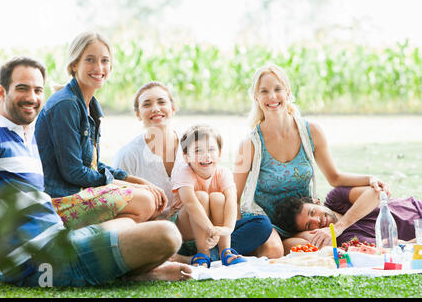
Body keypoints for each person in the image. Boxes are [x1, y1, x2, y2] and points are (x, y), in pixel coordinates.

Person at [0, 56, 192, 286]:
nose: (32, 97)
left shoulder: (23, 135)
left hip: (61, 239)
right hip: (38, 261)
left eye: (38, 90)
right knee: (167, 236)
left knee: (144, 228)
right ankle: (139, 272)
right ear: (2, 91)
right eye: (22, 88)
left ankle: (137, 272)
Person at [233, 63, 389, 258]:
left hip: (303, 220)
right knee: (274, 250)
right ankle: (263, 246)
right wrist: (236, 234)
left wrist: (369, 178)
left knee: (323, 246)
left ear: (288, 93)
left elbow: (335, 177)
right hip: (265, 222)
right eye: (264, 91)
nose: (272, 97)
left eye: (278, 89)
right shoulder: (249, 143)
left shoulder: (311, 132)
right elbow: (233, 196)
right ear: (256, 98)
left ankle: (283, 244)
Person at [112, 82, 272, 263]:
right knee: (197, 202)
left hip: (210, 223)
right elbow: (122, 208)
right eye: (147, 104)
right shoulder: (128, 155)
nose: (155, 108)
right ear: (138, 114)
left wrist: (222, 227)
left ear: (173, 108)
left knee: (262, 225)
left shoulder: (193, 142)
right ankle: (196, 254)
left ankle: (203, 256)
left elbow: (224, 195)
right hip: (163, 229)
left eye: (161, 102)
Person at [35, 31, 167, 229]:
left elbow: (91, 165)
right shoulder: (66, 104)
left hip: (78, 194)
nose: (98, 68)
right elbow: (74, 172)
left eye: (104, 61)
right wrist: (126, 185)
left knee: (148, 198)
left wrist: (135, 180)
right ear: (74, 64)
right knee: (145, 202)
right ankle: (95, 247)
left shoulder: (90, 106)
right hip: (59, 201)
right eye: (90, 60)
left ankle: (118, 246)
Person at [171, 124, 246, 267]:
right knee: (200, 196)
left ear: (219, 153)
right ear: (186, 157)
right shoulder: (185, 173)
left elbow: (232, 200)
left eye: (211, 149)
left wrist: (227, 229)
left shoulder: (223, 173)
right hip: (188, 231)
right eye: (198, 150)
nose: (206, 155)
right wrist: (210, 229)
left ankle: (226, 252)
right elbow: (191, 204)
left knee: (219, 197)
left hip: (214, 232)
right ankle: (203, 254)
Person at [272, 186, 421, 248]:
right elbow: (393, 245)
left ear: (316, 202)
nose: (317, 220)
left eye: (312, 212)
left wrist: (339, 226)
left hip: (416, 207)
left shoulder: (335, 199)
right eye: (309, 226)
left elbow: (377, 193)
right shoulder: (347, 242)